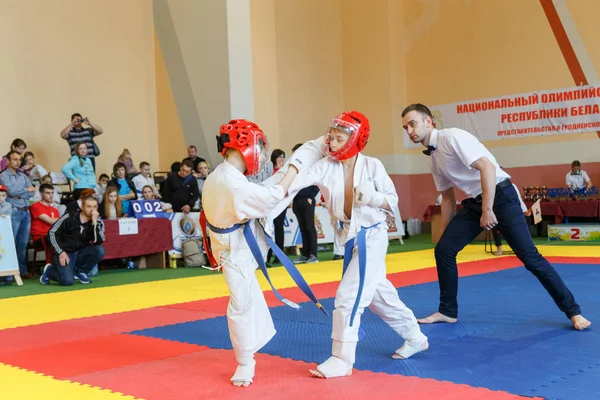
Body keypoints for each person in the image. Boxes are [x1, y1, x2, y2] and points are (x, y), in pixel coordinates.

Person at [401, 103, 590, 331]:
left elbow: (488, 168)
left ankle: (573, 311)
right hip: (474, 203)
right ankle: (447, 311)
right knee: (443, 250)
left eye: (413, 124)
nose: (410, 131)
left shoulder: (452, 138)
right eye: (405, 128)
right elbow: (448, 198)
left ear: (429, 121)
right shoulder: (433, 159)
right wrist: (445, 237)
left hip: (500, 195)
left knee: (531, 258)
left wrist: (488, 209)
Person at [272, 111, 427, 379]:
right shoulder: (325, 166)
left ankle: (342, 358)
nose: (330, 143)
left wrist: (374, 197)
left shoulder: (372, 166)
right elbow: (294, 184)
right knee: (380, 296)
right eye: (330, 137)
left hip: (372, 236)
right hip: (349, 237)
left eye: (338, 138)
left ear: (355, 140)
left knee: (348, 296)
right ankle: (415, 337)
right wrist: (261, 201)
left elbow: (393, 201)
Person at [202, 119, 326, 387]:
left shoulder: (226, 175)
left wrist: (297, 167)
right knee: (241, 305)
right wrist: (291, 168)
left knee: (287, 182)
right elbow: (274, 196)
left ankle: (318, 146)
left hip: (242, 236)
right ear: (244, 146)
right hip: (234, 249)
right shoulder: (230, 182)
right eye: (258, 145)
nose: (260, 152)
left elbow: (271, 192)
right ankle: (245, 362)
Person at [43, 195, 105, 285]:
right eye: (89, 206)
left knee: (100, 250)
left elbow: (97, 241)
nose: (92, 210)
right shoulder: (69, 216)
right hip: (65, 253)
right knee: (68, 281)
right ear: (82, 207)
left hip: (81, 253)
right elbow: (52, 232)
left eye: (95, 207)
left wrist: (94, 223)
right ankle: (49, 271)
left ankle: (81, 271)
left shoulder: (97, 222)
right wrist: (60, 252)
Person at [0, 150, 36, 279]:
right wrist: (25, 190)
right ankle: (9, 273)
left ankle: (22, 271)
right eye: (15, 159)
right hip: (14, 211)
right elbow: (10, 191)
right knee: (12, 242)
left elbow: (33, 192)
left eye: (19, 160)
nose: (18, 162)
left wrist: (20, 193)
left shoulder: (23, 175)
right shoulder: (4, 176)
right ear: (8, 161)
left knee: (23, 244)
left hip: (26, 211)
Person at [291, 143, 320, 264]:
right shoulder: (295, 169)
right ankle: (305, 254)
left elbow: (318, 182)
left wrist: (311, 196)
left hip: (307, 199)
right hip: (297, 200)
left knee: (309, 227)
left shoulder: (312, 167)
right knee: (303, 228)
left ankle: (313, 254)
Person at [30, 183, 61, 267]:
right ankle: (52, 267)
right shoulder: (35, 206)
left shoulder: (54, 209)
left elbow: (59, 224)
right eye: (47, 193)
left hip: (52, 236)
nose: (51, 195)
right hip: (40, 237)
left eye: (52, 193)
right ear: (41, 194)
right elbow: (50, 221)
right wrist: (64, 219)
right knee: (55, 239)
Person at [266, 149, 287, 266]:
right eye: (279, 157)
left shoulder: (285, 170)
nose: (281, 159)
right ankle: (267, 254)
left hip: (280, 202)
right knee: (267, 228)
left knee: (279, 228)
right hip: (269, 202)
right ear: (274, 158)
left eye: (283, 156)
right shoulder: (269, 169)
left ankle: (279, 255)